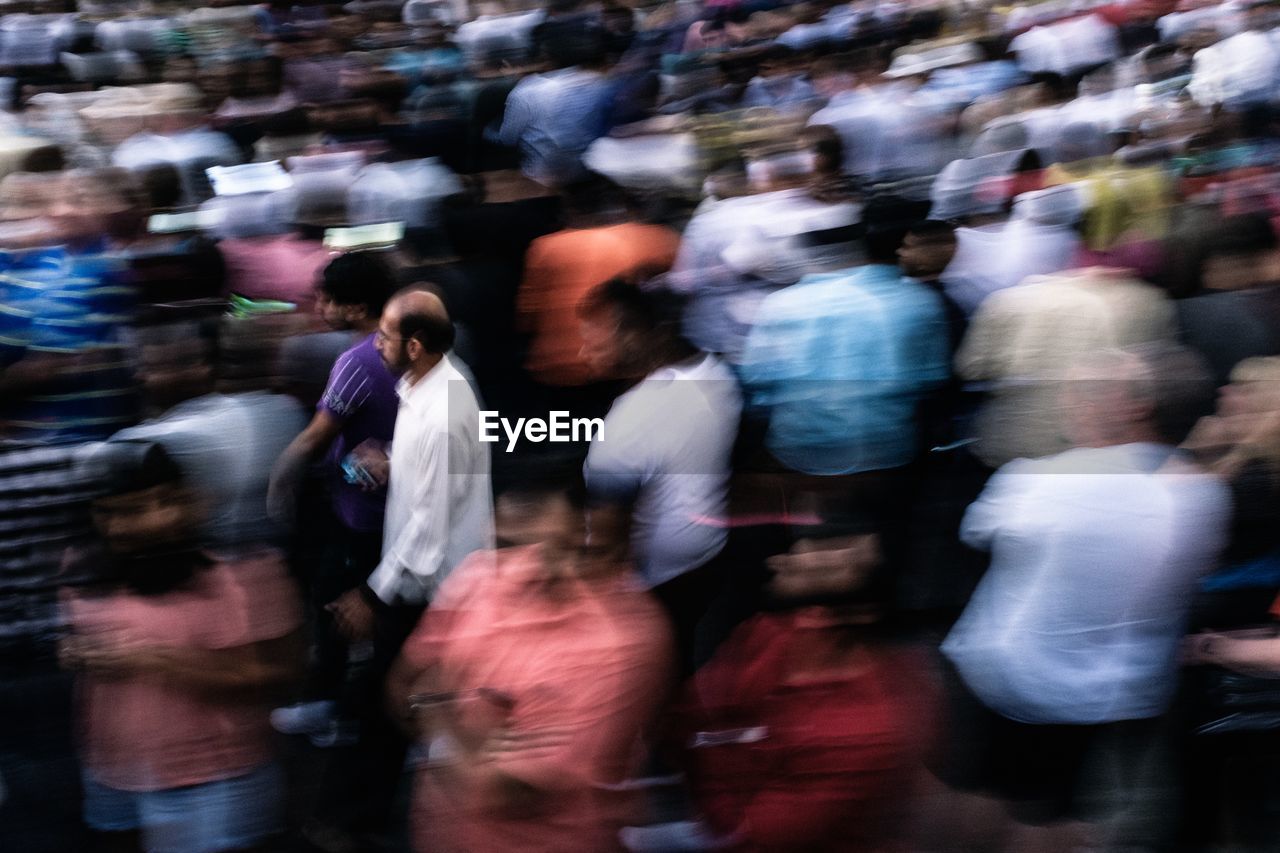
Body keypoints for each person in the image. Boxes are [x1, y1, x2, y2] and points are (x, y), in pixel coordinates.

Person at [936, 343, 1230, 850]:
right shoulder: (1205, 495)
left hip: (1011, 680)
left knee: (980, 803)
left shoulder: (1038, 478)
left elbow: (978, 530)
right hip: (1120, 692)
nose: (1068, 402)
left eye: (1084, 390)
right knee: (1063, 817)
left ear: (1135, 405)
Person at [386, 458, 674, 853]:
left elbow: (510, 792)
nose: (566, 563)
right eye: (517, 542)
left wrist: (438, 710)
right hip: (437, 832)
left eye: (593, 553)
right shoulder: (482, 574)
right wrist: (460, 736)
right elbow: (402, 686)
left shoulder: (624, 640)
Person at [312, 287, 493, 846]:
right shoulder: (435, 378)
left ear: (414, 345)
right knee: (389, 704)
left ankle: (361, 823)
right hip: (430, 581)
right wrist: (396, 462)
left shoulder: (440, 411)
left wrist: (371, 595)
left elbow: (428, 531)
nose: (376, 342)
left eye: (386, 335)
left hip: (429, 589)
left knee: (383, 705)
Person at [61, 440, 302, 853]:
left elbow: (282, 674)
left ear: (188, 503)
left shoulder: (246, 571)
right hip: (112, 771)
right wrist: (79, 654)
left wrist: (156, 659)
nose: (120, 527)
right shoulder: (83, 565)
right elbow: (80, 637)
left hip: (213, 782)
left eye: (139, 509)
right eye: (108, 513)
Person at [669, 506, 938, 853]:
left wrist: (708, 752)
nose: (784, 561)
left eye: (819, 562)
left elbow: (755, 834)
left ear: (823, 613)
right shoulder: (770, 633)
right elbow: (688, 715)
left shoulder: (869, 729)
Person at [268, 252, 400, 743]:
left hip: (363, 513)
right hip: (401, 506)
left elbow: (316, 437)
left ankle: (341, 713)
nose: (318, 305)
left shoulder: (358, 360)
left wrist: (280, 480)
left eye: (326, 297)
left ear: (355, 306)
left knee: (338, 609)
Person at [579, 277, 742, 667]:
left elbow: (607, 540)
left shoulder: (631, 419)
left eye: (595, 340)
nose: (584, 352)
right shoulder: (716, 372)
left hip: (652, 585)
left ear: (638, 333)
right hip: (708, 559)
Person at [737, 213, 950, 478]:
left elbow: (757, 379)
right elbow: (932, 378)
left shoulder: (778, 304)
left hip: (801, 447)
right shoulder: (918, 300)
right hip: (888, 447)